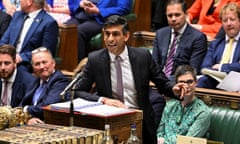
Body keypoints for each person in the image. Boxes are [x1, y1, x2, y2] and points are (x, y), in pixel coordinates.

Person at [73, 15, 189, 144]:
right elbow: (77, 91)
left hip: (139, 120)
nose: (110, 39)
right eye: (107, 34)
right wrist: (104, 100)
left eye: (115, 34)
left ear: (126, 36)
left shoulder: (142, 57)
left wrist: (174, 89)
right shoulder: (95, 59)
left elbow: (162, 83)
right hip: (110, 122)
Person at [152, 0, 208, 80]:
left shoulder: (198, 38)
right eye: (170, 16)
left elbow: (192, 70)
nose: (173, 19)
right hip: (158, 80)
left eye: (177, 15)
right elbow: (154, 64)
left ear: (186, 14)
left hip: (180, 82)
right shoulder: (160, 34)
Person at [157, 65, 211, 144]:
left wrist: (163, 141)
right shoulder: (169, 106)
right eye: (181, 82)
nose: (186, 86)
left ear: (196, 83)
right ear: (176, 85)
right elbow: (159, 133)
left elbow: (188, 142)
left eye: (190, 82)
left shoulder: (202, 112)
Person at [0, 0, 59, 73]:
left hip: (26, 64)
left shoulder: (48, 23)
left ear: (29, 2)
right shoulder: (17, 16)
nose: (19, 1)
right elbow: (4, 40)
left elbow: (46, 51)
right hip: (7, 58)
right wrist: (6, 55)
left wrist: (21, 57)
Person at [65, 0, 132, 62]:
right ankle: (62, 67)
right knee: (65, 28)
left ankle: (77, 68)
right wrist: (80, 3)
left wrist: (99, 10)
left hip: (101, 19)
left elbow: (124, 8)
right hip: (82, 14)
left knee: (78, 31)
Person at [20, 47, 69, 125]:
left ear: (53, 63)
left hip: (49, 124)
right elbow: (23, 103)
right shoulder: (35, 81)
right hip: (32, 123)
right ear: (33, 67)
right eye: (37, 64)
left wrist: (26, 110)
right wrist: (29, 118)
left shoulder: (60, 80)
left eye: (44, 62)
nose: (41, 67)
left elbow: (46, 107)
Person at [197, 2, 240, 89]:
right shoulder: (215, 44)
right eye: (225, 20)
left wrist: (221, 67)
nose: (229, 23)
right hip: (216, 81)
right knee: (202, 81)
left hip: (237, 81)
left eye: (232, 19)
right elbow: (205, 67)